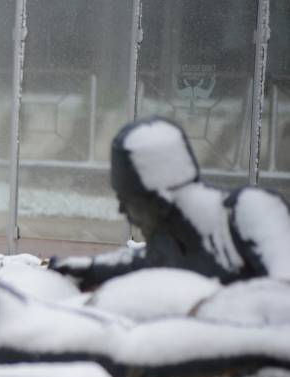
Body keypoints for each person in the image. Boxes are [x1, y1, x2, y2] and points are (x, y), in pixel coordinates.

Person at [50, 116, 288, 288]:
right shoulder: (173, 243)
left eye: (128, 202)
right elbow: (135, 262)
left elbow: (282, 293)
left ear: (161, 202)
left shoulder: (252, 211)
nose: (123, 212)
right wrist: (89, 268)